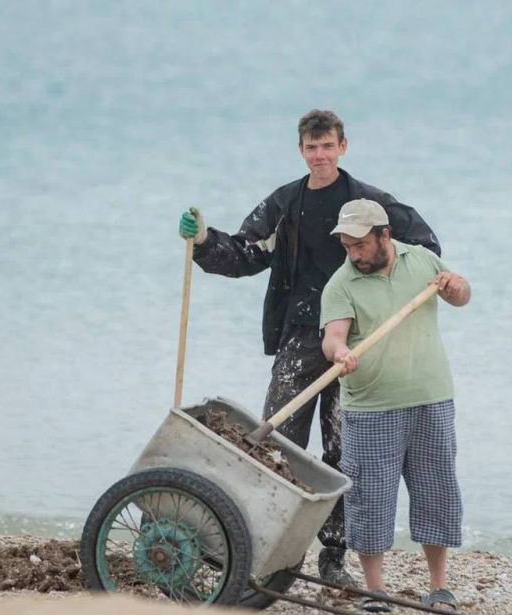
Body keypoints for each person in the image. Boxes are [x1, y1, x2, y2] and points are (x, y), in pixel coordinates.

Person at [178, 110, 440, 589]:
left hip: (357, 342)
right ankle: (261, 543)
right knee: (277, 443)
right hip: (300, 339)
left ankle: (333, 559)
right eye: (310, 147)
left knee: (344, 453)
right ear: (301, 151)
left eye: (327, 146)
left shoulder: (370, 204)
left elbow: (423, 247)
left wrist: (393, 296)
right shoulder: (285, 203)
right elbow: (244, 254)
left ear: (343, 146)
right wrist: (202, 240)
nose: (319, 155)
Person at [320, 198, 471, 613]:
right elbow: (333, 336)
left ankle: (439, 587)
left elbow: (461, 295)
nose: (354, 254)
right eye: (347, 246)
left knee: (436, 491)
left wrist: (458, 288)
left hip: (431, 399)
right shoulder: (342, 283)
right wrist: (338, 353)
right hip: (370, 408)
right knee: (370, 497)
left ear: (384, 235)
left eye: (360, 245)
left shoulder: (421, 260)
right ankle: (375, 590)